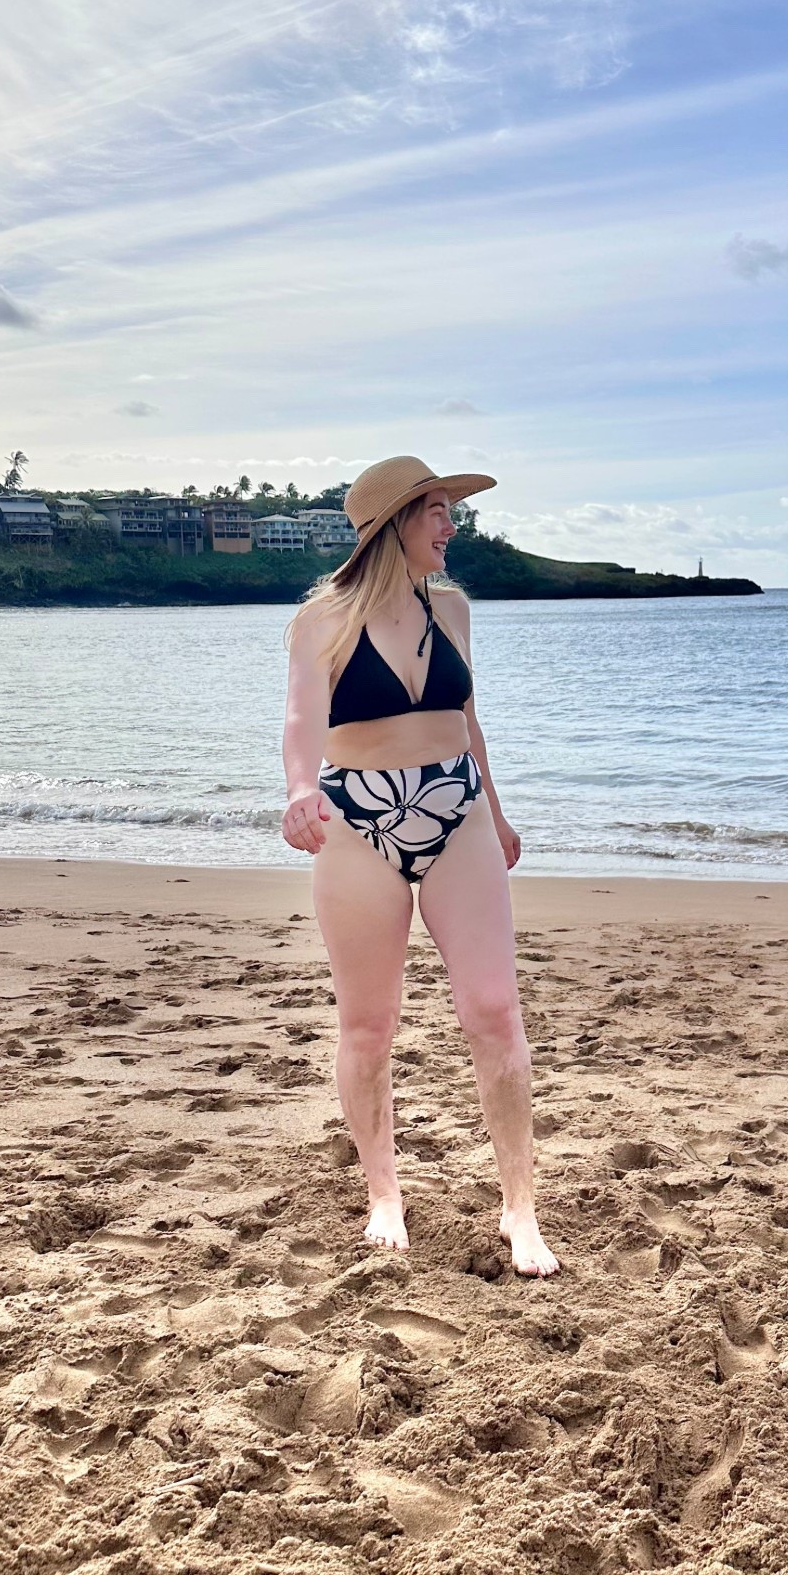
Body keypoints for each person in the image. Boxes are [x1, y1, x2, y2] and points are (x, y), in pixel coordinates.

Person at [280, 456, 560, 1277]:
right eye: (435, 510)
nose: (450, 524)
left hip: (457, 810)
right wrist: (300, 791)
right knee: (368, 1026)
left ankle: (520, 1208)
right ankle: (384, 1193)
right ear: (390, 524)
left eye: (450, 509)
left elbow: (468, 721)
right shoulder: (321, 620)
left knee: (494, 1009)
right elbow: (301, 719)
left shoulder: (454, 610)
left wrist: (498, 816)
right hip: (356, 821)